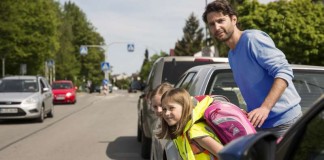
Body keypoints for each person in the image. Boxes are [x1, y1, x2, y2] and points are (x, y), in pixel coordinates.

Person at [202, 0, 302, 137]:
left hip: (286, 124)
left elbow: (284, 71)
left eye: (221, 21)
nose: (217, 27)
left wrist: (265, 108)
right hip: (260, 126)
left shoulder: (252, 39)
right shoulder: (231, 55)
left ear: (233, 19)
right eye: (212, 24)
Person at [157, 88, 223, 159]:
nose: (166, 113)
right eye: (164, 109)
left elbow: (226, 155)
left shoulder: (195, 132)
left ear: (184, 107)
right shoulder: (182, 133)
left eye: (171, 108)